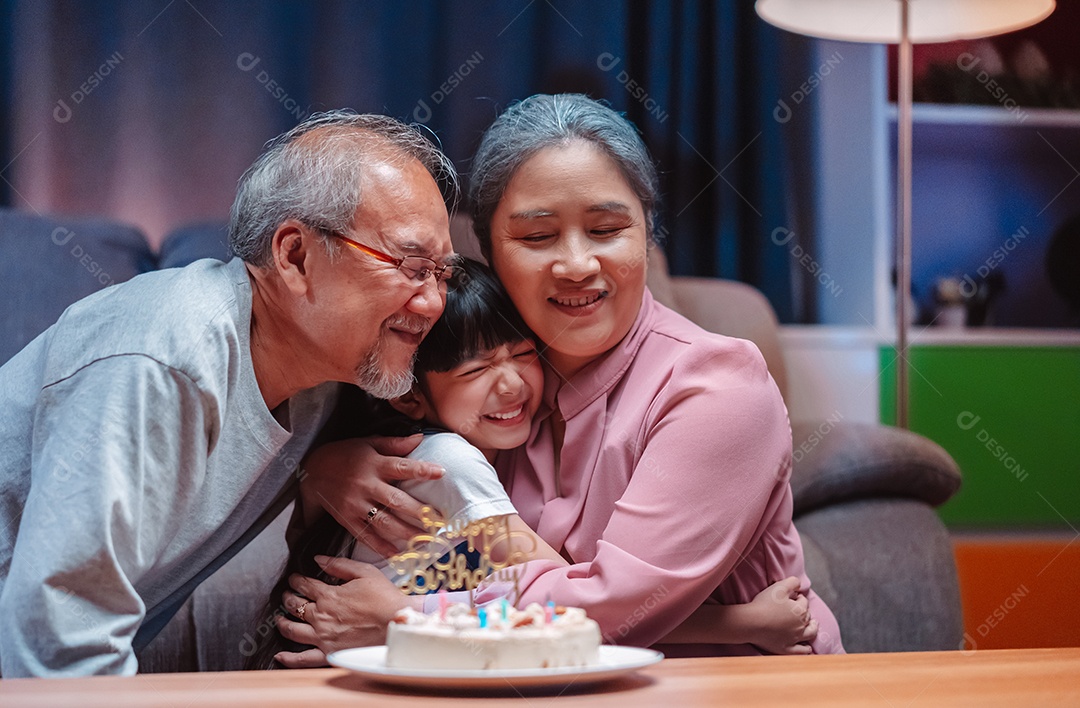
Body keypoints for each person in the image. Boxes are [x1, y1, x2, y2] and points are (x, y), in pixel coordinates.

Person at [277, 94, 844, 658]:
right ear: (492, 254)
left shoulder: (716, 386)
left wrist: (408, 618)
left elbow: (616, 606)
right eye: (537, 237)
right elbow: (448, 562)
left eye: (606, 229)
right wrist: (322, 467)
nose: (576, 265)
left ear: (647, 233)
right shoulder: (499, 403)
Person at [0, 110, 456, 677]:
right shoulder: (165, 359)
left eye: (442, 274)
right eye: (411, 266)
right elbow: (57, 655)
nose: (434, 303)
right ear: (294, 256)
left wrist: (321, 465)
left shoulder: (327, 376)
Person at [259, 259, 817, 668]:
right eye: (476, 370)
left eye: (524, 355)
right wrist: (745, 622)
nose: (510, 385)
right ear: (410, 396)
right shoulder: (450, 465)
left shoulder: (447, 454)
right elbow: (565, 613)